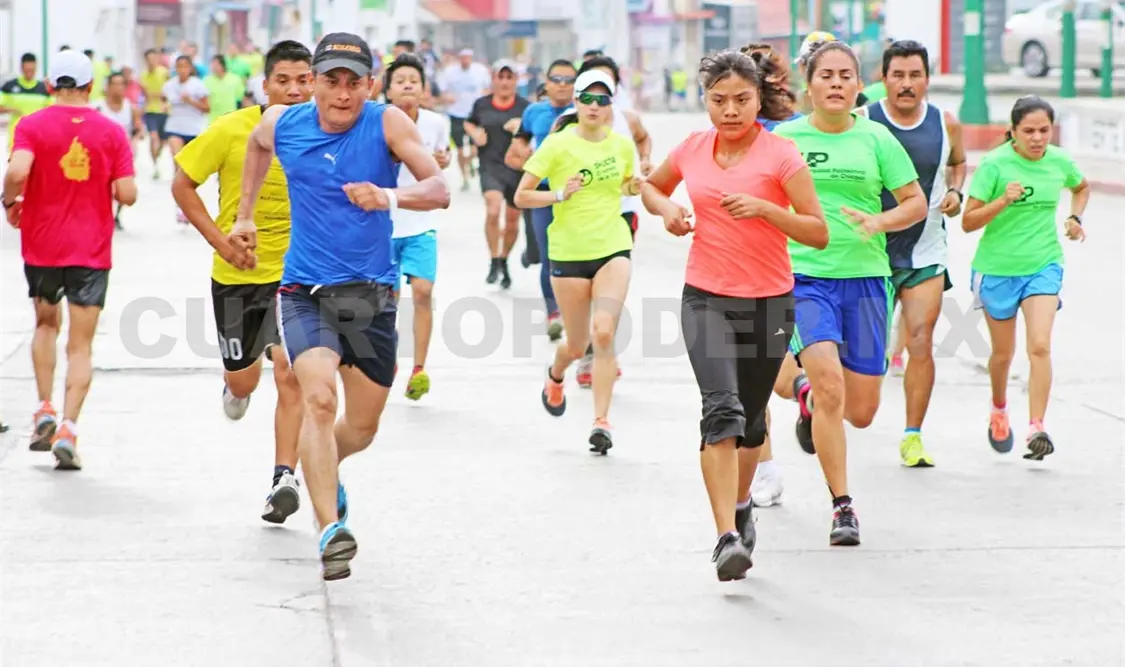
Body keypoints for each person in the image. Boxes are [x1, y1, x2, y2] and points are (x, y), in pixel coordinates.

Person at [230, 33, 449, 580]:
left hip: (371, 296)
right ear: (315, 83)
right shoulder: (284, 123)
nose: (343, 93)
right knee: (319, 402)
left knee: (362, 427)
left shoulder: (388, 123)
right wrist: (245, 214)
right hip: (304, 292)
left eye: (355, 82)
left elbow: (439, 188)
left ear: (370, 85)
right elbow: (257, 147)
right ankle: (330, 530)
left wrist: (388, 196)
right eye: (332, 80)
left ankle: (322, 465)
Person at [641, 50, 827, 581]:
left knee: (749, 424)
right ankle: (725, 535)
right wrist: (669, 210)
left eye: (741, 99)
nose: (729, 110)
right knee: (720, 413)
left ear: (757, 98)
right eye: (718, 100)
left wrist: (767, 210)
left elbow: (817, 229)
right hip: (706, 297)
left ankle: (742, 504)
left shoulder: (781, 155)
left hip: (770, 302)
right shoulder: (693, 148)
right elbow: (652, 185)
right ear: (705, 101)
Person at [771, 41, 927, 546]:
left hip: (864, 279)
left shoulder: (877, 138)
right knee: (831, 385)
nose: (836, 83)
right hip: (804, 277)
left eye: (846, 76)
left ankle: (811, 402)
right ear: (809, 85)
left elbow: (915, 202)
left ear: (859, 86)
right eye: (826, 75)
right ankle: (842, 506)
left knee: (860, 411)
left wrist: (879, 220)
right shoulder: (784, 139)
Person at [172, 40, 314, 524]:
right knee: (246, 378)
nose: (294, 91)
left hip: (300, 275)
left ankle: (283, 478)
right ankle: (234, 387)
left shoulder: (327, 133)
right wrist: (219, 240)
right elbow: (182, 184)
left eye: (303, 80)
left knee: (291, 374)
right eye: (283, 81)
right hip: (238, 275)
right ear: (264, 84)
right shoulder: (233, 129)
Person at [1, 50, 137, 470]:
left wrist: (10, 201)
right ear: (90, 87)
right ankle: (68, 428)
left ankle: (43, 407)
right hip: (91, 251)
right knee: (80, 345)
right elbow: (129, 194)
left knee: (44, 324)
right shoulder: (111, 131)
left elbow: (18, 169)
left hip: (42, 245)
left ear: (49, 85)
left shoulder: (31, 125)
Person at [514, 69, 637, 454]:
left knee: (603, 333)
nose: (594, 106)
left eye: (603, 100)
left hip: (612, 245)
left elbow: (624, 184)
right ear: (576, 102)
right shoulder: (556, 145)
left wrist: (635, 185)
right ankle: (556, 373)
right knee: (577, 342)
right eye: (587, 98)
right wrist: (558, 196)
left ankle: (601, 421)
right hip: (567, 252)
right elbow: (521, 196)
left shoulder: (620, 145)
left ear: (611, 105)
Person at [962, 96, 1089, 461]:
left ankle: (1037, 426)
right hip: (997, 269)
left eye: (1044, 131)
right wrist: (1003, 200)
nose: (1037, 139)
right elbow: (969, 222)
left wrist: (1075, 218)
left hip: (1043, 264)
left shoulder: (1059, 161)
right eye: (1029, 131)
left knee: (1040, 346)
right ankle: (999, 408)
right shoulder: (995, 164)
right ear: (1013, 132)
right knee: (1003, 354)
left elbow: (1081, 187)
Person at [862, 40, 967, 467]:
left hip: (926, 250)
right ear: (883, 79)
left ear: (927, 78)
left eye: (915, 75)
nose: (907, 85)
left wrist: (957, 190)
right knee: (864, 350)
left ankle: (912, 436)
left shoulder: (946, 123)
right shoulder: (863, 120)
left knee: (921, 340)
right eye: (898, 75)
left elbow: (958, 162)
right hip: (868, 252)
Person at [572, 55, 654, 388]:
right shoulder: (566, 123)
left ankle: (601, 352)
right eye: (589, 91)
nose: (597, 99)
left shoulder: (628, 119)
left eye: (605, 89)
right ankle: (583, 349)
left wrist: (646, 159)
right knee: (585, 290)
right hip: (579, 216)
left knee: (612, 286)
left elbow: (644, 138)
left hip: (622, 212)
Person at [384, 54, 452, 401]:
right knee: (389, 299)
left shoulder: (437, 122)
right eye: (400, 80)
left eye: (414, 79)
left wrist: (443, 160)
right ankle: (390, 356)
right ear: (388, 90)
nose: (408, 84)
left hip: (421, 222)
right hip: (384, 224)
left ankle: (419, 368)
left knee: (423, 291)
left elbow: (444, 156)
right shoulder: (376, 122)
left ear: (424, 89)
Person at [505, 59, 577, 341]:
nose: (562, 86)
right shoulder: (534, 112)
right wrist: (531, 161)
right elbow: (518, 144)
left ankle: (576, 308)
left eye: (568, 80)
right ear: (546, 83)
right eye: (556, 79)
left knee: (571, 254)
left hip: (576, 196)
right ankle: (553, 313)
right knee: (548, 255)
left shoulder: (582, 112)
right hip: (542, 195)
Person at [465, 60, 530, 288]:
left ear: (516, 81)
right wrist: (475, 134)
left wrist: (520, 127)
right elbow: (469, 123)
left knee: (512, 222)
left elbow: (536, 135)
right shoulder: (482, 104)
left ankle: (504, 260)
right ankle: (493, 259)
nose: (504, 82)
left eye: (509, 77)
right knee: (493, 210)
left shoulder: (525, 107)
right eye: (500, 77)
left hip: (517, 168)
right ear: (493, 79)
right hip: (490, 164)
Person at [163, 55, 210, 223]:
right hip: (175, 127)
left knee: (190, 170)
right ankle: (179, 206)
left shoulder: (197, 85)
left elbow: (206, 108)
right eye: (179, 66)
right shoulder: (169, 85)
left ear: (190, 68)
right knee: (177, 163)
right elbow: (164, 102)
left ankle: (189, 204)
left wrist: (190, 101)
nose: (182, 70)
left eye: (185, 66)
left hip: (194, 129)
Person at [95, 71, 144, 230]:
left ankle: (117, 216)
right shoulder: (98, 107)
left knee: (123, 188)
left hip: (123, 154)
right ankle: (104, 214)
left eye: (121, 84)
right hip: (101, 154)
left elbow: (138, 129)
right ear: (108, 87)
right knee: (103, 186)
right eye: (114, 84)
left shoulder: (131, 108)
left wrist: (135, 141)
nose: (118, 88)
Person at [438, 49, 491, 190]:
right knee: (460, 150)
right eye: (463, 57)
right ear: (459, 58)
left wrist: (484, 100)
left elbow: (488, 89)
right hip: (456, 114)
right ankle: (465, 178)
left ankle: (469, 163)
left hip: (475, 115)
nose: (465, 60)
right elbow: (442, 92)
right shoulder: (449, 73)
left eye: (468, 57)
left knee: (476, 149)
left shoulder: (480, 71)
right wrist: (447, 98)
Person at [0, 54, 51, 152]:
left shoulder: (43, 89)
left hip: (38, 137)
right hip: (16, 138)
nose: (29, 73)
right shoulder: (9, 86)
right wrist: (10, 109)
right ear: (21, 68)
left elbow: (51, 111)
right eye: (27, 70)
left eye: (32, 70)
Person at [139, 49, 171, 179]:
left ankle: (157, 158)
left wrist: (158, 95)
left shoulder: (164, 73)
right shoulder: (143, 76)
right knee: (153, 137)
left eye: (153, 58)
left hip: (164, 110)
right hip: (150, 110)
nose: (151, 61)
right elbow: (147, 94)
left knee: (163, 141)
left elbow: (168, 92)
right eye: (148, 59)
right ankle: (155, 165)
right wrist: (157, 94)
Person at [204, 55, 246, 121]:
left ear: (223, 65)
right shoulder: (206, 80)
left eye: (216, 64)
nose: (213, 67)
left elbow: (241, 97)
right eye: (212, 64)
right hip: (212, 119)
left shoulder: (235, 79)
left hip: (229, 117)